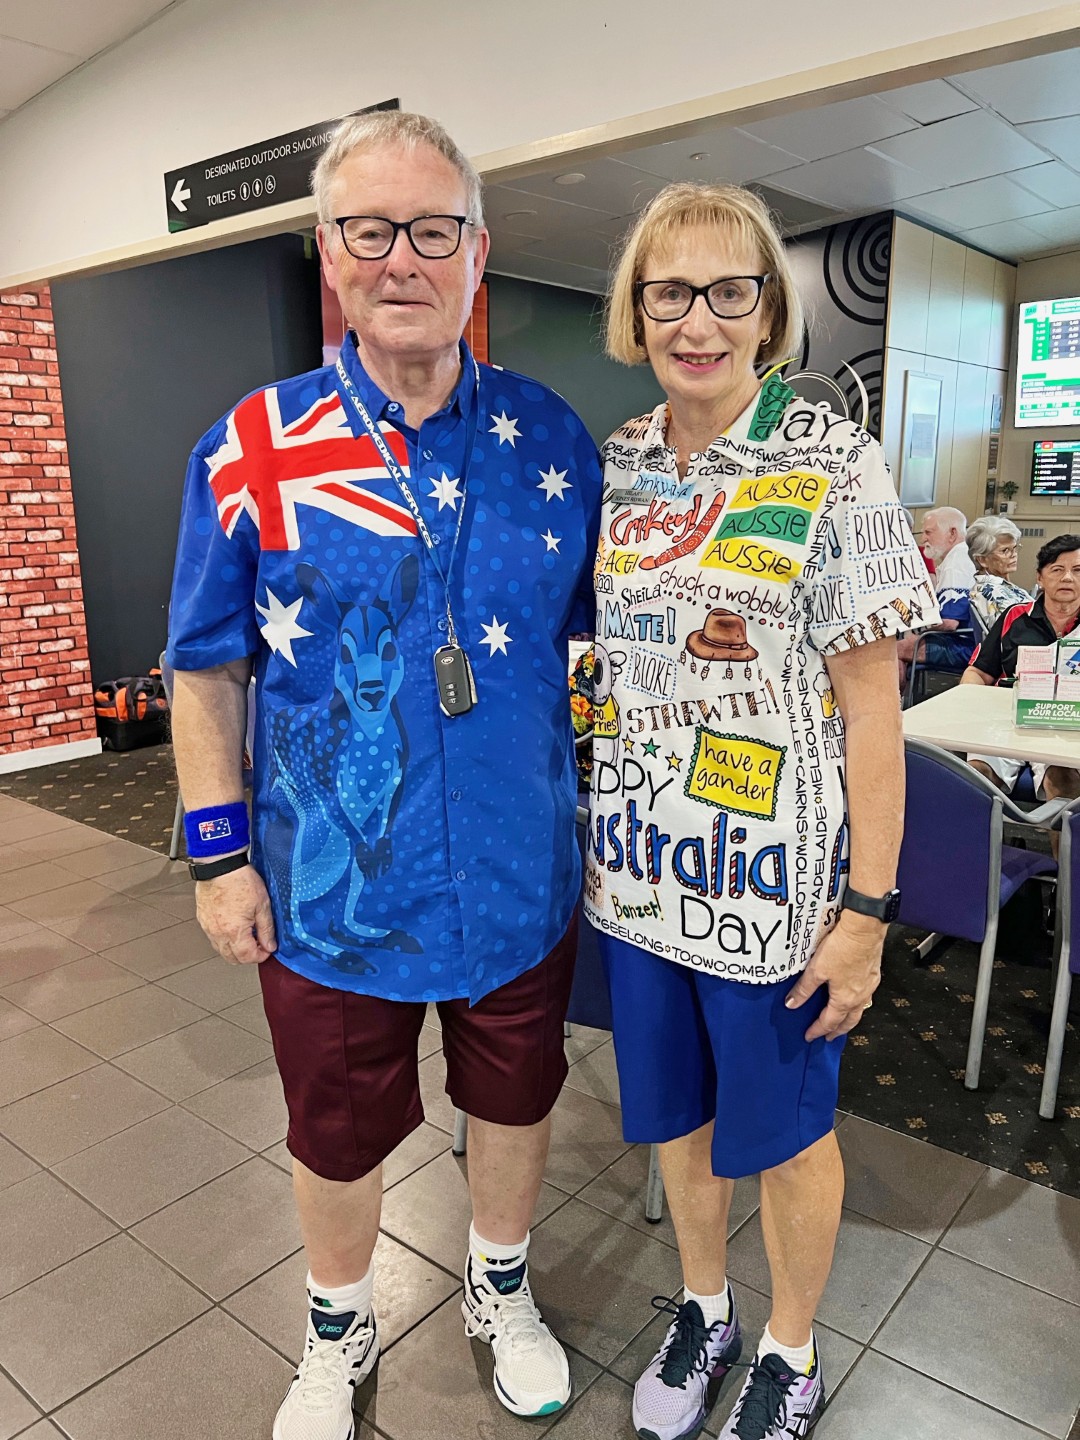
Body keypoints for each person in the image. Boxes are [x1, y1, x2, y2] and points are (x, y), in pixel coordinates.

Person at [166, 110, 601, 1440]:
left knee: (516, 1101)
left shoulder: (552, 441)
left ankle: (499, 1286)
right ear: (328, 250)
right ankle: (337, 1327)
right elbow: (204, 670)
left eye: (431, 229)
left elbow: (606, 642)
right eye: (370, 229)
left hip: (518, 871)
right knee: (334, 1128)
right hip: (333, 891)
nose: (401, 257)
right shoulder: (254, 446)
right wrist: (218, 857)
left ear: (479, 251)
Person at [588, 181, 937, 1440]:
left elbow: (875, 713)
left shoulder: (830, 459)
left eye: (728, 292)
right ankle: (706, 1308)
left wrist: (869, 915)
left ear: (769, 310)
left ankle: (792, 1351)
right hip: (639, 873)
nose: (698, 321)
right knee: (676, 1120)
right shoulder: (623, 458)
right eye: (670, 293)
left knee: (786, 1135)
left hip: (777, 894)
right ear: (637, 310)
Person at [961, 533, 1080, 807]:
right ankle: (979, 836)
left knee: (1064, 782)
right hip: (1007, 721)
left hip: (1066, 730)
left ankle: (1057, 837)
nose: (1067, 578)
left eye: (1077, 570)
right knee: (975, 777)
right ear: (1040, 578)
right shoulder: (1015, 616)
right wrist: (969, 708)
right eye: (1057, 570)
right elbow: (977, 673)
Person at [896, 506, 975, 685]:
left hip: (963, 646)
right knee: (905, 642)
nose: (923, 539)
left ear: (952, 533)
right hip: (962, 641)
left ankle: (895, 701)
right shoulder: (959, 556)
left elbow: (949, 623)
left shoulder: (957, 564)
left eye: (928, 532)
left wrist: (914, 622)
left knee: (892, 650)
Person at [966, 515, 1029, 628]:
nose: (1014, 555)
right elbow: (1018, 632)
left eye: (1015, 548)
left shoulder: (1001, 586)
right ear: (982, 560)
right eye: (1005, 550)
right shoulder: (991, 592)